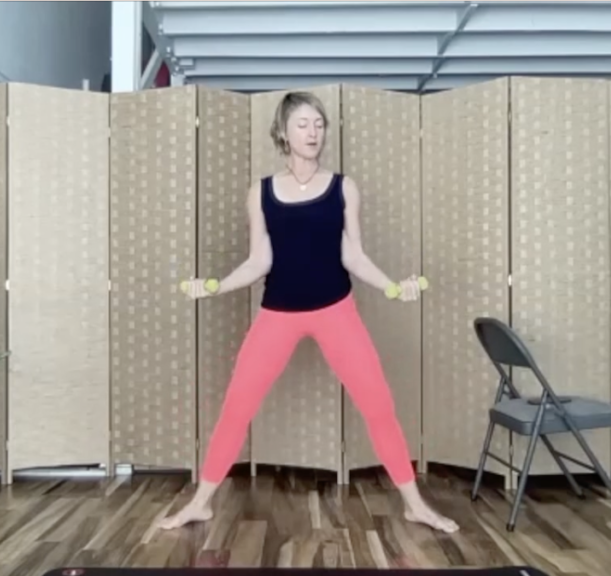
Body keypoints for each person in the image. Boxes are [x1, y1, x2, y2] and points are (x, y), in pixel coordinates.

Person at [161, 91, 458, 534]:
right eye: (303, 124)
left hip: (336, 310)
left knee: (379, 406)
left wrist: (395, 288)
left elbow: (353, 256)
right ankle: (200, 502)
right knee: (236, 408)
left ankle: (415, 504)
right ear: (283, 132)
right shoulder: (260, 192)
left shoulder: (343, 188)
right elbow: (260, 260)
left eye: (318, 123)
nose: (313, 132)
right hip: (277, 314)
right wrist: (215, 286)